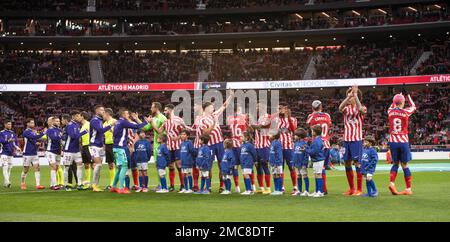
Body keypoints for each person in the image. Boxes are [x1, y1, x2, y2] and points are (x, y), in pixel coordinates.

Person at [200, 90, 234, 192]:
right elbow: (205, 133)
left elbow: (224, 106)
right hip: (209, 145)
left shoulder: (214, 115)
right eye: (211, 107)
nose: (213, 108)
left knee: (222, 164)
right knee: (208, 166)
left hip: (219, 144)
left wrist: (231, 96)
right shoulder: (202, 120)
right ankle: (208, 187)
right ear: (206, 108)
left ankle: (221, 186)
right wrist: (214, 124)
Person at [152, 104, 190, 192]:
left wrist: (177, 138)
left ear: (170, 110)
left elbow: (184, 132)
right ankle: (172, 186)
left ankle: (183, 185)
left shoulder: (178, 120)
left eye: (165, 110)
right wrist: (151, 122)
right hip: (169, 147)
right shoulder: (166, 122)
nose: (164, 112)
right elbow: (159, 131)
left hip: (178, 146)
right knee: (170, 166)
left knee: (179, 166)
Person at [110, 109, 149, 194]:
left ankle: (113, 186)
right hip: (121, 148)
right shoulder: (123, 122)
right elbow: (137, 127)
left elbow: (114, 134)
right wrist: (146, 121)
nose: (128, 115)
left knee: (119, 168)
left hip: (115, 147)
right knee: (124, 166)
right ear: (123, 114)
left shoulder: (117, 123)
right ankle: (121, 188)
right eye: (127, 114)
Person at [339, 85, 367, 196]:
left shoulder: (362, 107)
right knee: (347, 163)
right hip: (347, 139)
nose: (349, 97)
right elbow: (340, 107)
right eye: (348, 95)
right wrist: (348, 96)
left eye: (351, 96)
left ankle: (359, 189)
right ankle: (351, 188)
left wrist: (355, 95)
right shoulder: (346, 109)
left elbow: (361, 110)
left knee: (357, 163)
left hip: (356, 139)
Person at [388, 91, 416, 195]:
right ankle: (408, 189)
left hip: (393, 141)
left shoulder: (390, 111)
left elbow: (392, 104)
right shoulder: (406, 112)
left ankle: (392, 183)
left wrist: (398, 96)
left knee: (395, 164)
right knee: (405, 165)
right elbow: (414, 106)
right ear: (403, 102)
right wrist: (408, 96)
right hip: (403, 141)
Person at [306, 100, 332, 195]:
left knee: (318, 169)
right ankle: (322, 189)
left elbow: (308, 125)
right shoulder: (327, 115)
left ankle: (321, 190)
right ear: (321, 107)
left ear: (312, 108)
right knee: (323, 168)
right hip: (326, 143)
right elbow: (329, 125)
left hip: (317, 144)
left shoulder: (311, 116)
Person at [272, 105, 298, 194]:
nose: (280, 110)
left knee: (292, 167)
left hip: (289, 147)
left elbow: (294, 130)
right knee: (280, 168)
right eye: (278, 109)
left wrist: (289, 117)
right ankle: (281, 187)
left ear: (286, 109)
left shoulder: (293, 119)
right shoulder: (276, 120)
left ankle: (295, 187)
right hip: (279, 147)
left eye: (281, 108)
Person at [142, 102, 167, 190]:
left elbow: (160, 131)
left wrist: (151, 122)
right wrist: (137, 120)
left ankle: (163, 185)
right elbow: (145, 128)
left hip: (162, 145)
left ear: (156, 108)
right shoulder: (155, 118)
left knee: (162, 165)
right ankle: (160, 184)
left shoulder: (163, 118)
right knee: (157, 165)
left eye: (152, 107)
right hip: (156, 145)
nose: (151, 109)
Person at [89, 105, 114, 192]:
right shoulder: (94, 120)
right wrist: (111, 125)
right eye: (101, 110)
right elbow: (101, 131)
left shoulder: (100, 120)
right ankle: (94, 185)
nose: (103, 111)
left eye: (104, 110)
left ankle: (95, 185)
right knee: (98, 164)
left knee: (98, 166)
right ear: (96, 111)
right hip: (94, 145)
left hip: (100, 146)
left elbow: (100, 134)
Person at [62, 111, 88, 191]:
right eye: (78, 116)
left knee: (79, 166)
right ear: (73, 117)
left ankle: (79, 184)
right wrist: (84, 132)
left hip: (76, 150)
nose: (79, 117)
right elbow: (73, 136)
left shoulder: (77, 125)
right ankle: (66, 185)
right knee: (66, 167)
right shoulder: (70, 125)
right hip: (69, 150)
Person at [250, 102, 272, 194]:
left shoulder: (267, 116)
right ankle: (261, 187)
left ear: (263, 107)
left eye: (258, 106)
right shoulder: (259, 118)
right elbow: (256, 129)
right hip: (258, 146)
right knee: (258, 167)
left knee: (265, 165)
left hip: (264, 146)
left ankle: (268, 188)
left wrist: (252, 124)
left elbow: (261, 127)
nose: (257, 108)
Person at [226, 105, 249, 193]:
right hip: (241, 144)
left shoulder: (229, 118)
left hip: (233, 144)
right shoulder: (243, 117)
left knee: (235, 166)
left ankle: (237, 187)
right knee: (246, 166)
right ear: (239, 109)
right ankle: (252, 186)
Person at [21, 118, 46, 190]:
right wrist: (43, 133)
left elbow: (34, 140)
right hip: (27, 153)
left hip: (34, 153)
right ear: (27, 124)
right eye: (31, 123)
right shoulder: (25, 132)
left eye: (33, 122)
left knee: (37, 168)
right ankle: (22, 182)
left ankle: (38, 185)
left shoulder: (33, 131)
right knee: (26, 169)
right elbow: (34, 137)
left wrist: (39, 142)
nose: (33, 124)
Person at [305, 125, 326, 198]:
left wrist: (306, 150)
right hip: (317, 159)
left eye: (312, 131)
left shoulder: (317, 141)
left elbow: (314, 152)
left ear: (315, 132)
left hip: (318, 159)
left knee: (318, 174)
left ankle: (320, 191)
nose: (311, 132)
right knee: (316, 175)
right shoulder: (317, 140)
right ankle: (317, 191)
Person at [0, 120, 20, 188]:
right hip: (4, 152)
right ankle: (8, 182)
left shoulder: (13, 133)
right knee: (5, 167)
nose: (10, 126)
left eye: (10, 124)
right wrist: (8, 140)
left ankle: (6, 182)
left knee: (9, 168)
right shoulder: (1, 133)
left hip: (11, 153)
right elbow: (1, 141)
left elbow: (16, 142)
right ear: (5, 125)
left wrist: (17, 148)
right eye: (8, 124)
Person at [45, 117, 62, 190]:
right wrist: (62, 138)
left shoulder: (59, 130)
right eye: (56, 121)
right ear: (53, 122)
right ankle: (54, 185)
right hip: (51, 151)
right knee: (53, 167)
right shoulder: (50, 130)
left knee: (57, 168)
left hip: (58, 151)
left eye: (59, 121)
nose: (58, 122)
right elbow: (54, 138)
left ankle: (52, 184)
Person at [292, 128, 310, 196]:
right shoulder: (296, 144)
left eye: (295, 135)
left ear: (299, 136)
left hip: (302, 164)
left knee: (304, 176)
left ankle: (306, 191)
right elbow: (294, 154)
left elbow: (306, 155)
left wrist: (304, 163)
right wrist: (293, 163)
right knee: (298, 176)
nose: (294, 136)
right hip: (296, 164)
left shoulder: (304, 144)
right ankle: (299, 190)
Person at [179, 129, 196, 193]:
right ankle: (186, 188)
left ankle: (190, 188)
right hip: (183, 162)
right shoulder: (182, 143)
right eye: (181, 134)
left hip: (188, 162)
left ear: (187, 136)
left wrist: (190, 158)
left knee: (189, 174)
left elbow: (192, 151)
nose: (182, 136)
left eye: (184, 134)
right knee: (184, 174)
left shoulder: (189, 143)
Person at [103, 108, 117, 190]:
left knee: (116, 163)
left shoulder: (114, 121)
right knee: (110, 164)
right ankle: (112, 183)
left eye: (104, 114)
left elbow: (117, 132)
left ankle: (117, 183)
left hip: (114, 144)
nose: (103, 115)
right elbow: (104, 135)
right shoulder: (104, 124)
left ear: (107, 114)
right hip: (107, 145)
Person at [80, 111, 93, 188]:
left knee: (93, 165)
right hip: (84, 146)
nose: (78, 118)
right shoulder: (83, 125)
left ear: (82, 116)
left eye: (79, 116)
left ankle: (95, 183)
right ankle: (87, 183)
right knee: (86, 165)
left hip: (89, 146)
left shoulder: (88, 124)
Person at [269, 131, 283, 196]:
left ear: (274, 136)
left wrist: (278, 162)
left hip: (277, 163)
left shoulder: (277, 143)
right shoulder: (272, 143)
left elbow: (279, 154)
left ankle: (279, 190)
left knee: (278, 175)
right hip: (272, 163)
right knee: (274, 175)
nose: (269, 136)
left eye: (271, 135)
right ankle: (275, 189)